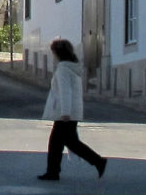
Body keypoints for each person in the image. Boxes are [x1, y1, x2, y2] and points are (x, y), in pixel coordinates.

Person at [38, 39, 107, 180]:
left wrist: (65, 113)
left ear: (58, 53)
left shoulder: (63, 69)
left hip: (66, 113)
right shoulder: (72, 67)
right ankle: (53, 171)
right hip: (72, 111)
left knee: (65, 142)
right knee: (61, 142)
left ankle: (97, 161)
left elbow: (65, 92)